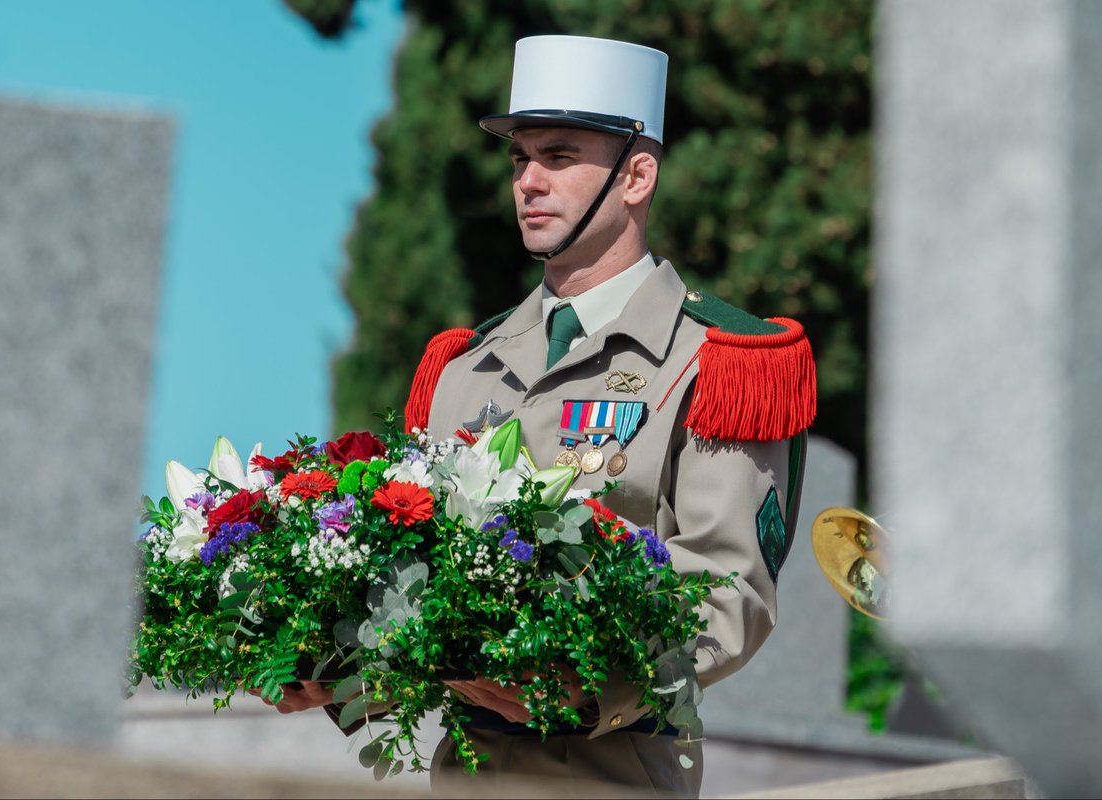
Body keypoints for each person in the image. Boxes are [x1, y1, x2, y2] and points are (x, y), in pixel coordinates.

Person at [254, 34, 815, 798]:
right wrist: (328, 670)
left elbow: (730, 595)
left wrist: (583, 686)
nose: (529, 182)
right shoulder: (461, 365)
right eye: (519, 159)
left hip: (612, 778)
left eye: (558, 156)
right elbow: (415, 591)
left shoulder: (722, 360)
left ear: (637, 176)